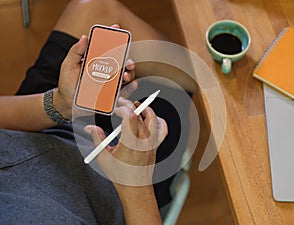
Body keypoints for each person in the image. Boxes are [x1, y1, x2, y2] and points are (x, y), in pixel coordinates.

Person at [0, 0, 195, 224]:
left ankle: (205, 79)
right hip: (118, 189)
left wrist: (60, 105)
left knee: (96, 8)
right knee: (175, 89)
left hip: (35, 130)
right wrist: (135, 185)